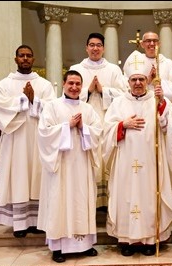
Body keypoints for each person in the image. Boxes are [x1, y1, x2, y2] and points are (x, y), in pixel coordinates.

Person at [102, 50, 172, 257]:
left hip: (151, 163)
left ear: (147, 80)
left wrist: (162, 106)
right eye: (134, 79)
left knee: (149, 197)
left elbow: (169, 129)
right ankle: (126, 239)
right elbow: (105, 131)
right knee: (125, 197)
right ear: (128, 81)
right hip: (125, 162)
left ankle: (149, 239)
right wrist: (122, 125)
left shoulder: (158, 100)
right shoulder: (118, 103)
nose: (137, 83)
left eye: (141, 79)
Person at [37, 70, 102, 263]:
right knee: (60, 201)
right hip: (61, 166)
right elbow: (44, 133)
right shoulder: (52, 107)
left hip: (81, 164)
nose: (74, 87)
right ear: (63, 84)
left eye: (78, 84)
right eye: (70, 83)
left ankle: (86, 244)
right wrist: (67, 126)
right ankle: (58, 247)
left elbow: (98, 132)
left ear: (82, 86)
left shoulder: (88, 108)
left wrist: (84, 128)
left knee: (82, 200)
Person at [0, 44, 56, 238]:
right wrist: (23, 99)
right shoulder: (4, 84)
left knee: (36, 175)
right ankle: (19, 224)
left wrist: (34, 101)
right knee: (18, 175)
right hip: (15, 139)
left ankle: (37, 221)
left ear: (34, 59)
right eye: (22, 56)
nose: (25, 58)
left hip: (38, 138)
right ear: (16, 59)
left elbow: (53, 109)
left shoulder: (44, 85)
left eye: (29, 55)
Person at [69, 32, 128, 211]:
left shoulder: (113, 70)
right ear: (86, 47)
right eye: (92, 45)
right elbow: (68, 92)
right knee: (88, 156)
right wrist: (87, 91)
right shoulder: (76, 68)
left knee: (106, 154)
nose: (95, 48)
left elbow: (124, 93)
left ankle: (106, 200)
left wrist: (104, 91)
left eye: (98, 45)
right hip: (83, 120)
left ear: (103, 48)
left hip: (107, 119)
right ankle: (89, 199)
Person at [124, 30, 172, 197]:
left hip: (159, 115)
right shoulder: (135, 63)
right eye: (148, 41)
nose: (151, 44)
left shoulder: (168, 65)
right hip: (137, 114)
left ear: (159, 43)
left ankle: (164, 195)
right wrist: (147, 82)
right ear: (142, 44)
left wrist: (160, 84)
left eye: (155, 41)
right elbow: (126, 89)